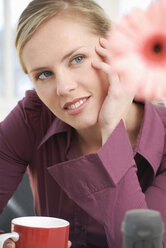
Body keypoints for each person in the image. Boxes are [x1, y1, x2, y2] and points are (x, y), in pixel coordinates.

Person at [1, 0, 166, 247]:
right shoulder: (33, 116)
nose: (64, 87)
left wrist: (112, 130)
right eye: (44, 74)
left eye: (77, 59)